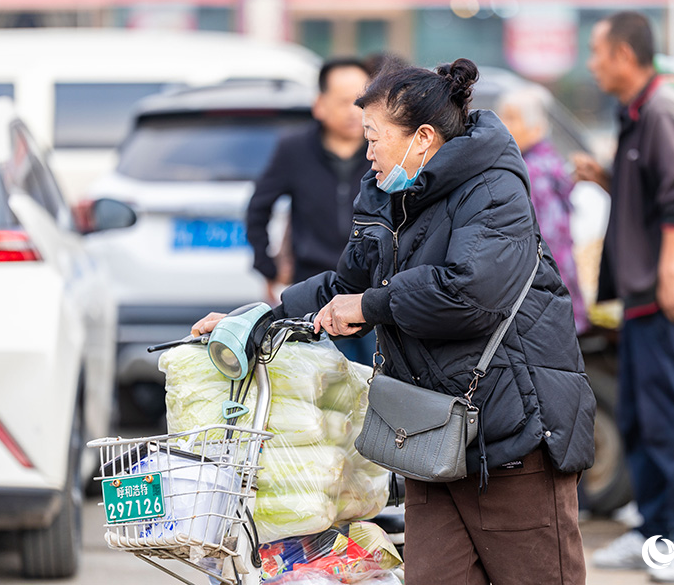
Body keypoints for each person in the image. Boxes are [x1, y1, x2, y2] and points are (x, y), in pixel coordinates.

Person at [195, 58, 595, 585]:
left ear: (422, 137)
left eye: (375, 137)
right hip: (430, 436)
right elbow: (344, 286)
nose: (367, 153)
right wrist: (257, 319)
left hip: (510, 435)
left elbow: (470, 293)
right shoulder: (388, 197)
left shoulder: (494, 190)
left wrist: (372, 306)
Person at [572, 11, 674, 583]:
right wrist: (606, 179)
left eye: (598, 51)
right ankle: (656, 532)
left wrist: (672, 273)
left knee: (667, 418)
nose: (592, 62)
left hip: (666, 295)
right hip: (642, 297)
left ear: (626, 55)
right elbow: (654, 190)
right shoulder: (635, 113)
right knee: (639, 414)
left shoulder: (662, 110)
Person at [246, 57, 374, 364]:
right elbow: (258, 207)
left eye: (361, 101)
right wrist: (267, 266)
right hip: (314, 289)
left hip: (371, 294)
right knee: (322, 394)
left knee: (377, 388)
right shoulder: (294, 149)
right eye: (343, 102)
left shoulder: (382, 149)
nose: (353, 111)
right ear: (320, 104)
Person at [497, 85, 589, 334]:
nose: (504, 124)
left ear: (536, 127)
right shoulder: (549, 161)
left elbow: (541, 241)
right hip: (555, 291)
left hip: (542, 297)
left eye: (512, 118)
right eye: (502, 116)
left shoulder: (531, 171)